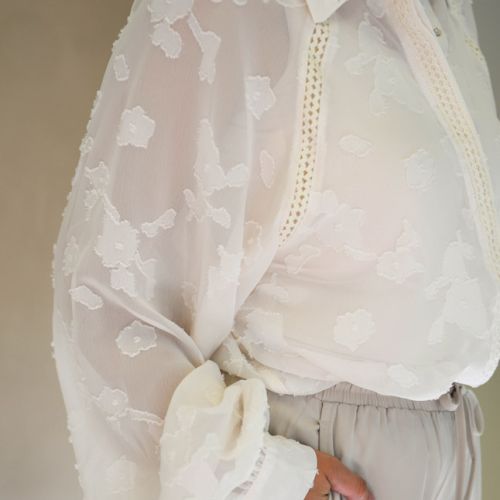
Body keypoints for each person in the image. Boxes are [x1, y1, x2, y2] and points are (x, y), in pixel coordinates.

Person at [50, 0, 499, 498]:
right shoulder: (234, 10)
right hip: (326, 455)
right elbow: (110, 299)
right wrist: (261, 476)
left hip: (452, 444)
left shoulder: (448, 12)